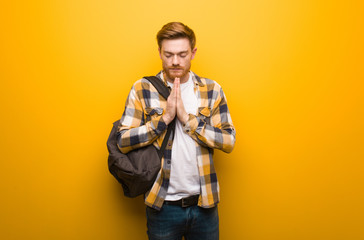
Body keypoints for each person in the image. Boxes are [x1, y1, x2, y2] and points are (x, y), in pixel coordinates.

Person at [117, 22, 236, 240]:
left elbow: (228, 141)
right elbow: (123, 140)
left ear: (193, 52)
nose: (175, 62)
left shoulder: (212, 90)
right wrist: (163, 120)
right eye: (168, 54)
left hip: (204, 204)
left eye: (182, 54)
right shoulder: (143, 88)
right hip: (162, 206)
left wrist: (187, 119)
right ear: (159, 53)